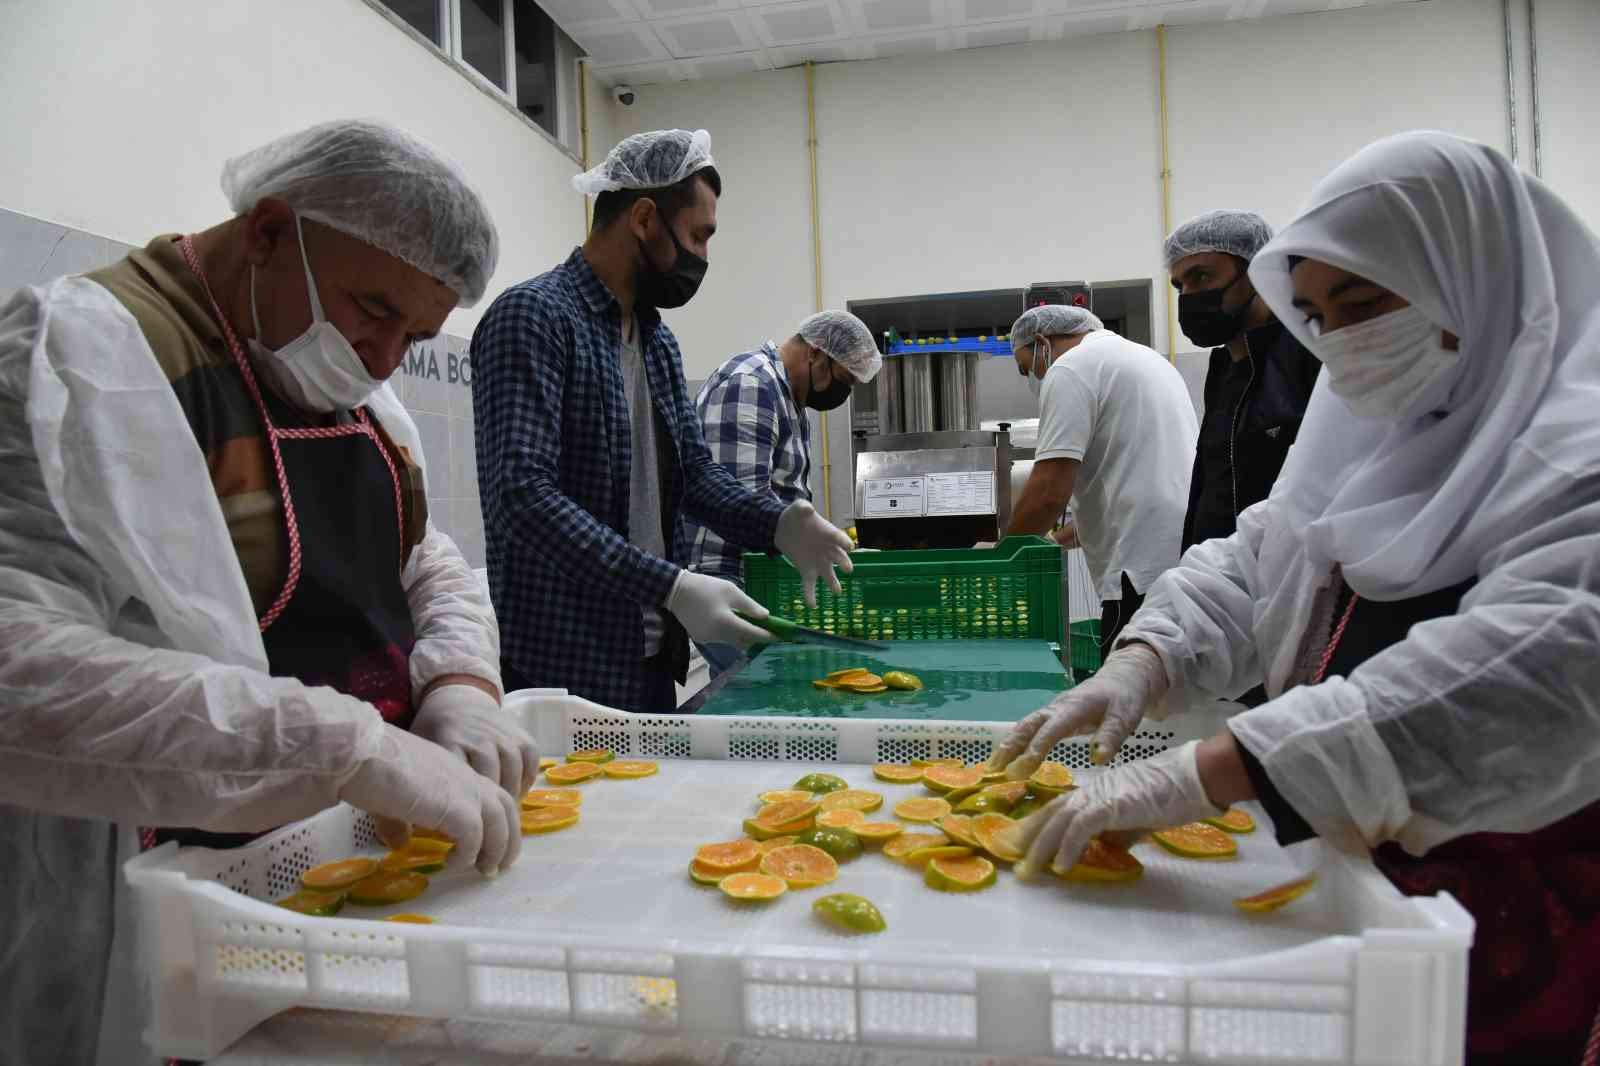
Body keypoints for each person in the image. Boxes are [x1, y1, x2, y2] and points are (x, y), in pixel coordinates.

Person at [987, 131, 1600, 1066]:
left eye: (1361, 304)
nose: (1340, 342)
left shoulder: (1577, 462)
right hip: (1352, 867)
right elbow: (1261, 553)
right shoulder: (1378, 431)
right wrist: (1145, 658)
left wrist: (1221, 768)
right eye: (1315, 316)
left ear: (1475, 282)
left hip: (1521, 897)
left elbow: (1534, 675)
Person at [0, 120, 538, 1066]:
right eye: (373, 310)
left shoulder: (350, 386)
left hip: (330, 882)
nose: (382, 358)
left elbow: (426, 560)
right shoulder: (79, 359)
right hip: (147, 890)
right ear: (267, 230)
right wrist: (338, 746)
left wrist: (459, 685)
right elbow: (16, 662)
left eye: (413, 335)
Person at [472, 129, 853, 713]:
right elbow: (523, 498)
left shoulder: (656, 343)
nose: (703, 257)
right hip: (564, 660)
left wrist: (777, 524)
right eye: (699, 236)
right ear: (645, 218)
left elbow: (694, 474)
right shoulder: (534, 317)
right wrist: (670, 585)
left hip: (651, 651)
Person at [686, 310, 881, 676]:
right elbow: (741, 505)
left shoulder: (789, 399)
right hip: (727, 580)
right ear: (815, 353)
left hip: (757, 577)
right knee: (776, 689)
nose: (844, 392)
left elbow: (784, 504)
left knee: (757, 702)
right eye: (843, 379)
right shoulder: (750, 385)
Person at [1005, 305, 1197, 660]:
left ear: (1042, 342)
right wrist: (1054, 542)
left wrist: (1004, 558)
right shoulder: (1147, 360)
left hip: (1137, 573)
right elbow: (1124, 485)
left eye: (1026, 367)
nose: (1031, 377)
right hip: (1183, 554)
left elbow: (1049, 491)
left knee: (1131, 695)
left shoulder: (1071, 368)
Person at [1165, 209, 1322, 550]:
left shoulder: (1308, 361)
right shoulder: (1224, 370)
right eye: (1180, 285)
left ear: (1258, 273)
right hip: (1220, 583)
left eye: (1202, 276)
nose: (1189, 295)